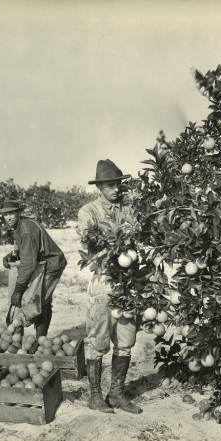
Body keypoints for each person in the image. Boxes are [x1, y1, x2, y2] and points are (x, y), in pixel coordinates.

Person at [77, 159, 142, 414]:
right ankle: (95, 395)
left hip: (128, 282)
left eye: (118, 184)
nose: (116, 189)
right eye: (110, 185)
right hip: (104, 280)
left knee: (125, 339)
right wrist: (116, 240)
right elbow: (88, 236)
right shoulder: (89, 211)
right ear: (100, 187)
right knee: (98, 338)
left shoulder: (129, 209)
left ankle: (116, 393)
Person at [0, 200, 67, 338]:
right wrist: (11, 255)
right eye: (5, 214)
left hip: (51, 265)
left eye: (12, 213)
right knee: (41, 302)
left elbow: (28, 264)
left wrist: (18, 290)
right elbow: (25, 249)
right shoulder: (21, 225)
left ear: (19, 213)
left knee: (38, 302)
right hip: (42, 262)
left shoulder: (26, 230)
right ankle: (40, 339)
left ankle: (40, 339)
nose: (9, 217)